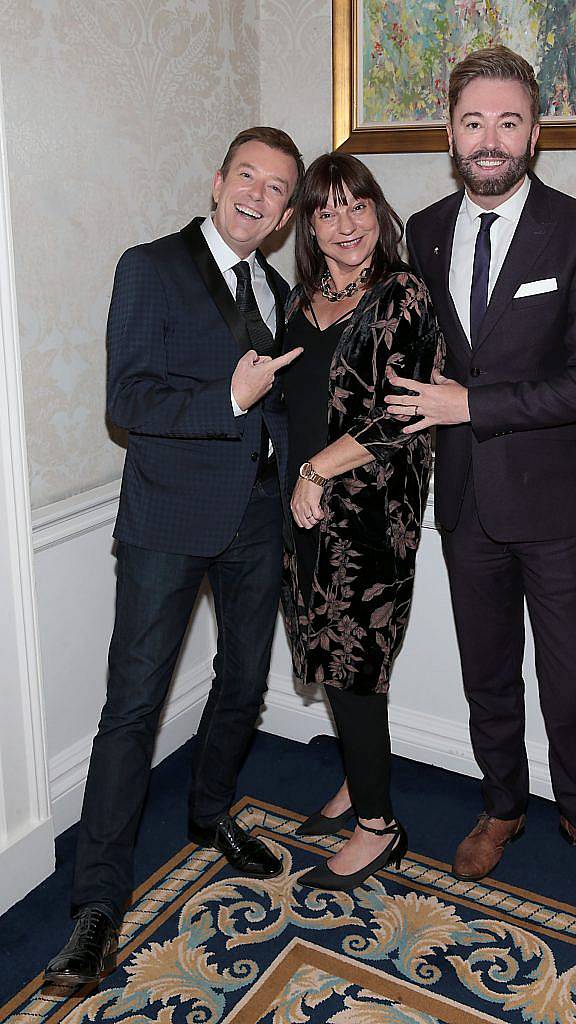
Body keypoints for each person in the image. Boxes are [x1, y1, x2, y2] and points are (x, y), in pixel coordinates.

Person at [45, 127, 305, 986]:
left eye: (276, 190)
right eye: (247, 178)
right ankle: (96, 906)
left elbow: (281, 406)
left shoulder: (277, 286)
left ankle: (209, 813)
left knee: (242, 683)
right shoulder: (148, 266)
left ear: (284, 213)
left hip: (258, 519)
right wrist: (228, 395)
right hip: (165, 520)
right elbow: (128, 398)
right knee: (133, 708)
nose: (258, 197)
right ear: (218, 179)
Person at [386, 47, 576, 900]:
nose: (490, 140)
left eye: (508, 121)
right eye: (472, 122)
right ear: (449, 134)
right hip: (462, 502)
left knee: (570, 676)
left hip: (555, 506)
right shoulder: (421, 232)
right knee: (485, 669)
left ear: (535, 132)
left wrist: (474, 406)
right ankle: (501, 806)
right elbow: (405, 353)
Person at [281, 153, 444, 891]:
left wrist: (317, 469)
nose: (346, 223)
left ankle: (379, 827)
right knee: (323, 651)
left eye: (358, 205)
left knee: (355, 667)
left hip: (373, 516)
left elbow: (397, 415)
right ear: (309, 224)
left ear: (378, 210)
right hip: (305, 510)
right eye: (327, 210)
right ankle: (356, 779)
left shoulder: (402, 293)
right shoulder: (301, 298)